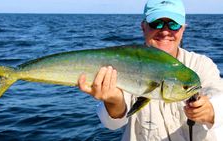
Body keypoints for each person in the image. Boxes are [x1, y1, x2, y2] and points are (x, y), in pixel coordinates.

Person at [78, 0, 223, 140]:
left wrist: (210, 111)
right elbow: (113, 124)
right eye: (157, 23)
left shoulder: (201, 64)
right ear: (143, 27)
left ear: (183, 28)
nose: (165, 31)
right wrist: (113, 101)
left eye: (173, 24)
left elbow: (218, 97)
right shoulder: (124, 63)